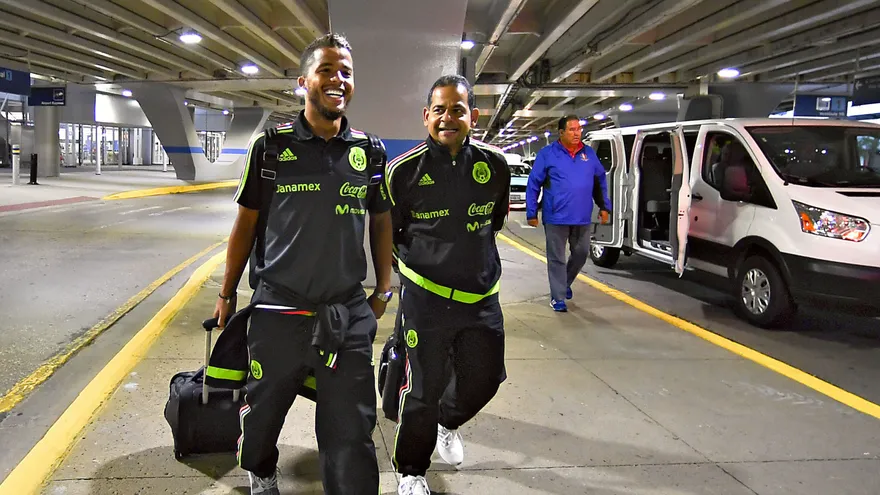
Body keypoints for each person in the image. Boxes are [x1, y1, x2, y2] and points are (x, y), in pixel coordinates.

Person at [213, 33, 394, 495]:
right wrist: (227, 293)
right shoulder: (271, 150)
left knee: (351, 427)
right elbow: (245, 227)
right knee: (264, 410)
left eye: (346, 72)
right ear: (304, 82)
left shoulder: (370, 153)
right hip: (279, 307)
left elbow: (380, 221)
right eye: (327, 70)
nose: (338, 80)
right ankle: (260, 467)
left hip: (345, 310)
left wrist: (383, 289)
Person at [385, 74, 511, 495]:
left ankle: (448, 422)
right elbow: (389, 235)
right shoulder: (403, 172)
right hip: (426, 301)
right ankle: (411, 472)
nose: (447, 118)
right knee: (423, 387)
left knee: (486, 378)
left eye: (457, 109)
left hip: (481, 299)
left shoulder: (495, 166)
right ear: (426, 116)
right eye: (438, 110)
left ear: (473, 116)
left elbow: (492, 224)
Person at [526, 115, 611, 312]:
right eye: (572, 129)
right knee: (557, 258)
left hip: (582, 216)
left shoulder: (588, 154)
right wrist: (532, 211)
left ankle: (564, 283)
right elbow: (534, 183)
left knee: (581, 253)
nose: (577, 133)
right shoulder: (547, 154)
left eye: (579, 129)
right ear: (561, 132)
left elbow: (600, 182)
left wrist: (605, 207)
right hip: (556, 216)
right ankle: (557, 297)